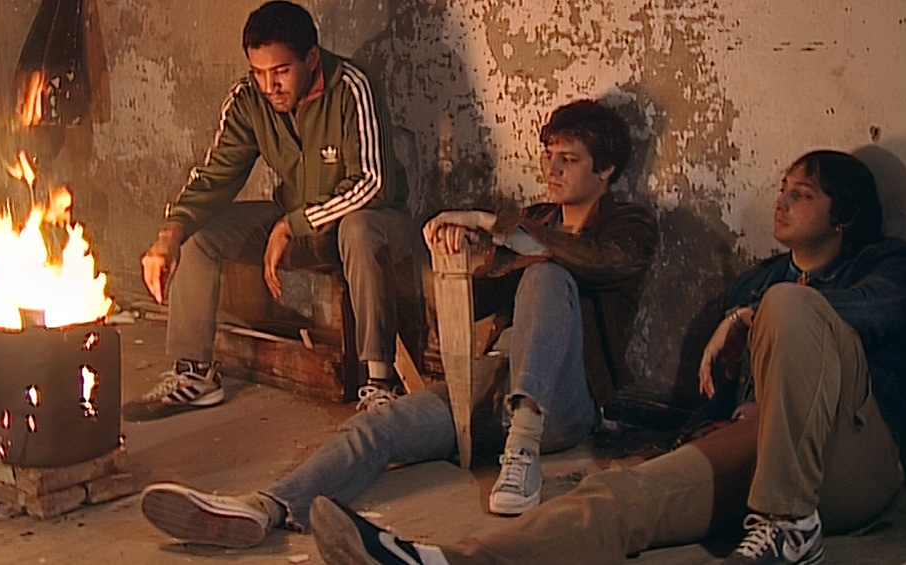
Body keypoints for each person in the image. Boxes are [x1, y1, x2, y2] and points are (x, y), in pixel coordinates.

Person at [307, 150, 906, 565]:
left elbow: (873, 315)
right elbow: (719, 395)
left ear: (844, 216)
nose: (783, 202)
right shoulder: (757, 279)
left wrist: (751, 316)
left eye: (803, 194)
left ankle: (790, 526)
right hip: (762, 451)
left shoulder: (890, 267)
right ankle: (445, 560)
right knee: (617, 496)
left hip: (851, 463)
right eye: (783, 189)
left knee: (789, 307)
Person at [137, 99, 659, 547]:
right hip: (491, 386)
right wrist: (465, 254)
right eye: (550, 157)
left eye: (570, 159)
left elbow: (602, 262)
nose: (554, 169)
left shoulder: (629, 224)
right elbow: (479, 302)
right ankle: (265, 507)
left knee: (548, 277)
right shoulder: (536, 218)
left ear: (605, 171)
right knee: (379, 426)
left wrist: (493, 224)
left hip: (564, 404)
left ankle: (522, 452)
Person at [126, 1, 413, 420]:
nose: (269, 85)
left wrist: (292, 224)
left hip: (373, 226)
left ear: (311, 59)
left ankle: (380, 383)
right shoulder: (249, 99)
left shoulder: (352, 87)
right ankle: (195, 373)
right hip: (294, 226)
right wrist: (169, 235)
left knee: (359, 228)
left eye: (281, 71)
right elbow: (215, 176)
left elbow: (372, 182)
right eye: (259, 72)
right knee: (199, 233)